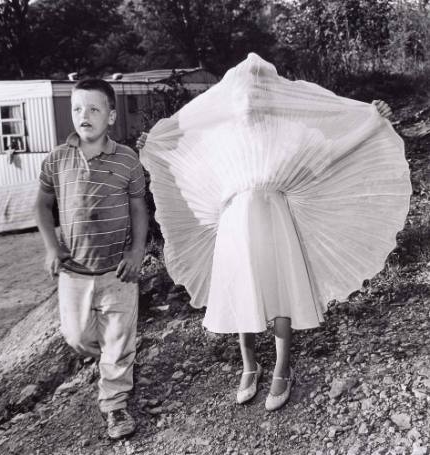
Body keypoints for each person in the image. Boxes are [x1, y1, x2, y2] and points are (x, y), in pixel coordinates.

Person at [135, 53, 409, 414]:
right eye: (244, 94)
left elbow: (330, 153)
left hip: (275, 219)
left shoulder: (288, 134)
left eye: (259, 92)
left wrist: (372, 122)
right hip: (234, 223)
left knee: (279, 290)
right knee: (240, 287)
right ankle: (250, 365)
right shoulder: (221, 138)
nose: (251, 100)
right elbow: (190, 167)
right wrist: (154, 150)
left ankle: (282, 367)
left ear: (271, 96)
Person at [35, 78, 148, 439]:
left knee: (118, 339)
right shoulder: (57, 159)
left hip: (118, 271)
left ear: (111, 116)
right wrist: (52, 246)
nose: (85, 115)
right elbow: (41, 204)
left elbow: (138, 209)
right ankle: (113, 357)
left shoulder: (127, 159)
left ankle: (115, 404)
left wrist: (136, 252)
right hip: (75, 272)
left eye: (95, 108)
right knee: (77, 336)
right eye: (78, 108)